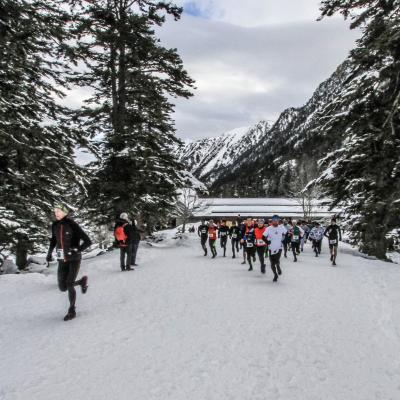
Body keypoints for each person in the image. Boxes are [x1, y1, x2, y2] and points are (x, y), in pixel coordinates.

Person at [46, 204, 92, 321]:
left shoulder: (72, 224)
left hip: (74, 258)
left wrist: (77, 249)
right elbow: (54, 240)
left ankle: (72, 311)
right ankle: (82, 281)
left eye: (59, 211)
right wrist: (49, 253)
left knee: (70, 284)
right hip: (62, 259)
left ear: (65, 213)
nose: (56, 213)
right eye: (55, 211)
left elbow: (88, 241)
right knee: (62, 287)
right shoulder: (55, 225)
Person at [264, 215, 286, 282]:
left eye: (277, 220)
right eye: (274, 220)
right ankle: (275, 275)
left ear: (278, 221)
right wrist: (267, 242)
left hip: (279, 247)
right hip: (271, 248)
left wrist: (284, 239)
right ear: (272, 221)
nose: (275, 221)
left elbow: (286, 233)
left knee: (277, 260)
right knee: (272, 263)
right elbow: (263, 236)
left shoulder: (281, 227)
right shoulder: (268, 228)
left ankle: (278, 266)